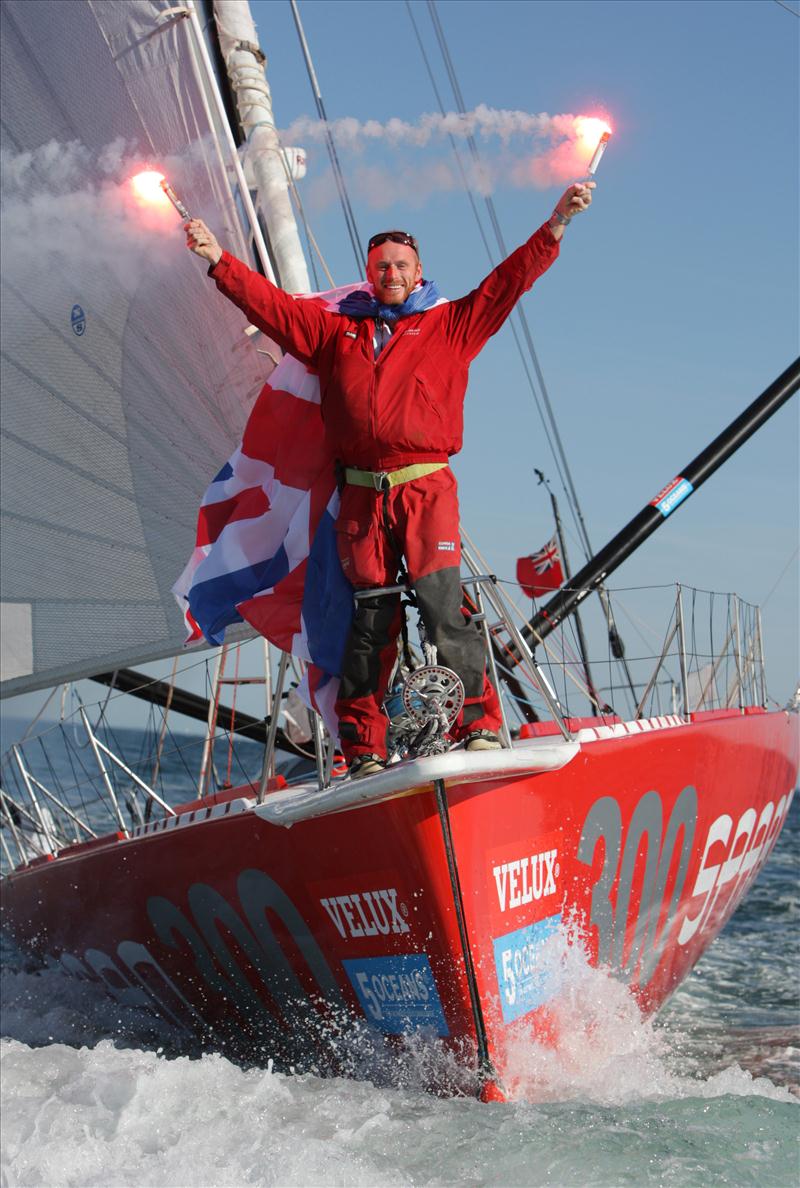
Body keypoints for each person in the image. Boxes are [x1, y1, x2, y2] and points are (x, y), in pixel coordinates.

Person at [187, 181, 594, 777]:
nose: (391, 274)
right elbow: (271, 308)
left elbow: (508, 283)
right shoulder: (335, 333)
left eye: (401, 265)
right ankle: (365, 747)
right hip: (360, 493)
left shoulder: (451, 324)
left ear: (418, 270)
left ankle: (478, 727)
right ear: (370, 273)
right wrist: (218, 261)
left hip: (425, 487)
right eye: (381, 266)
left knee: (444, 608)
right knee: (368, 620)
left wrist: (556, 222)